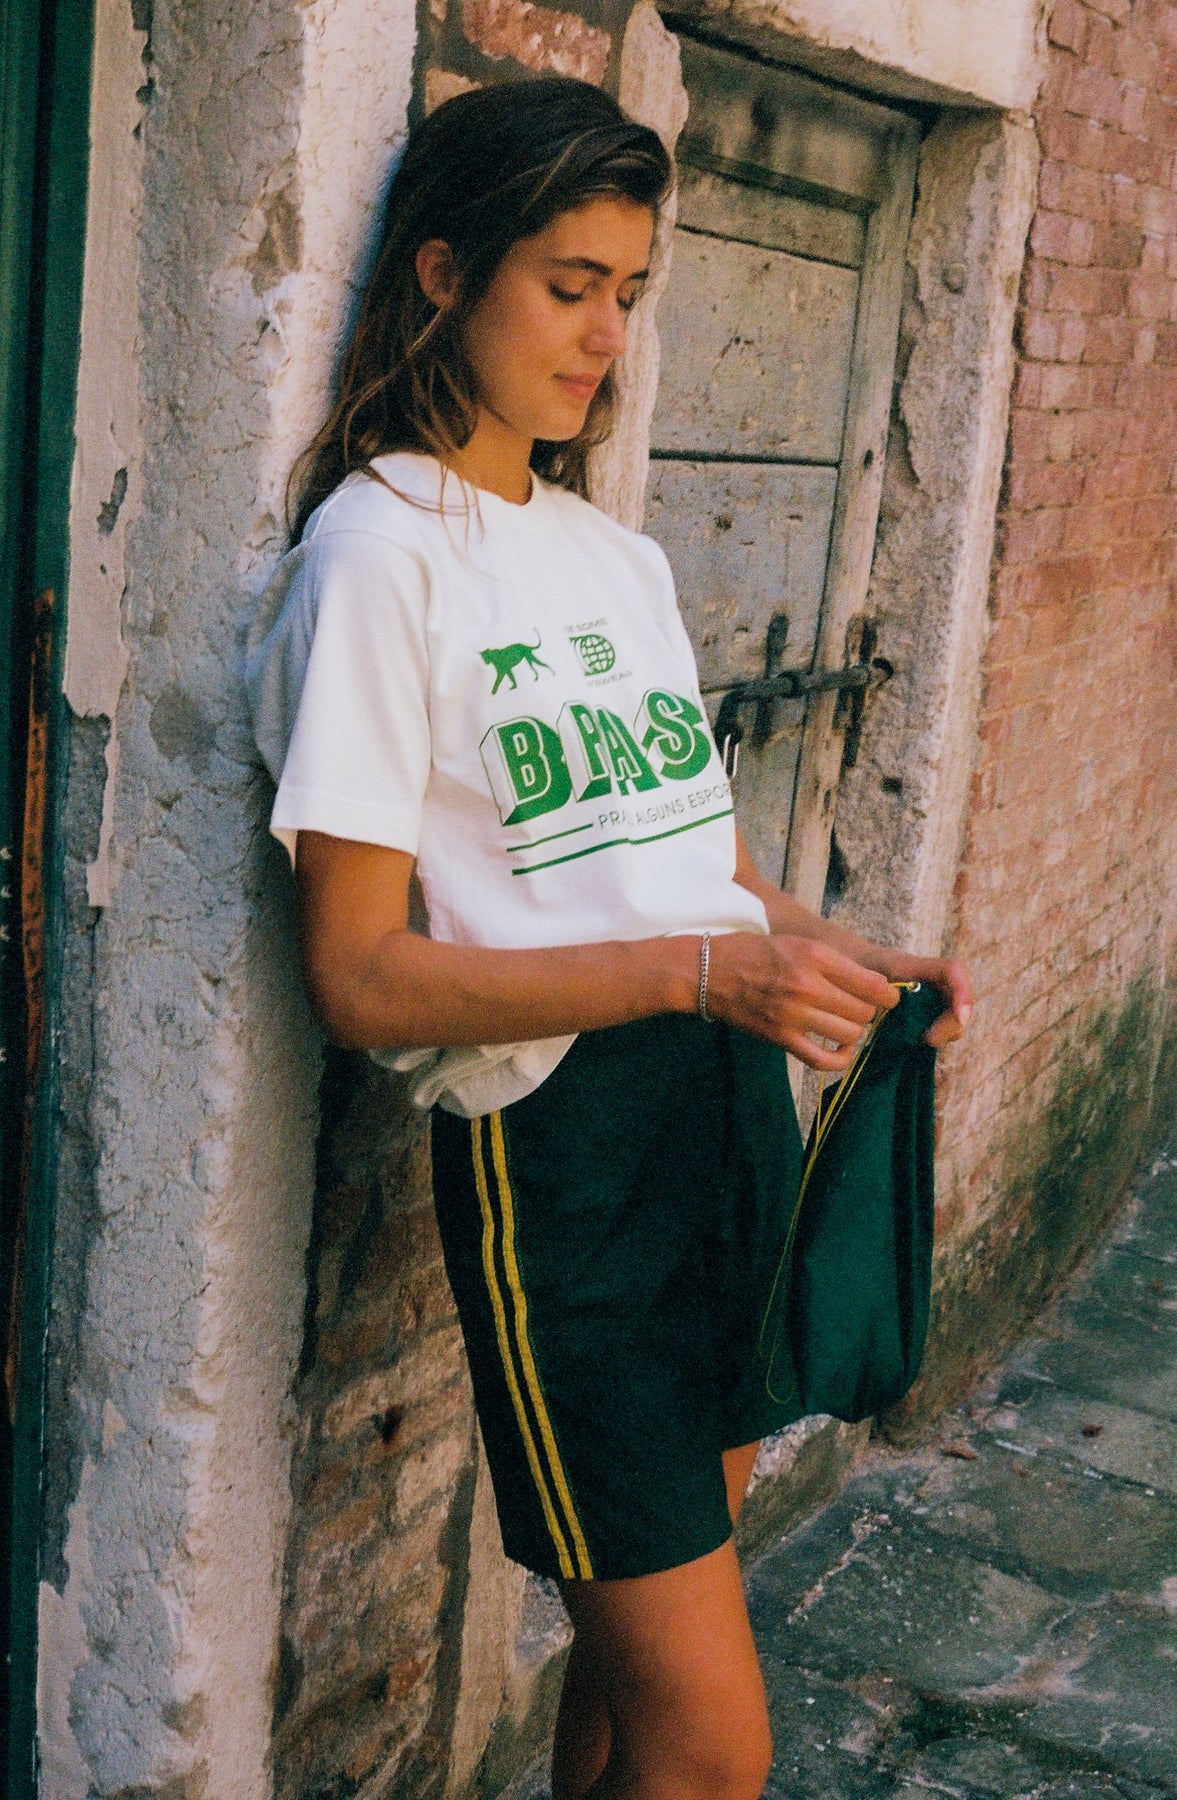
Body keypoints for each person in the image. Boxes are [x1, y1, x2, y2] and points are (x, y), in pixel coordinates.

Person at [246, 76, 973, 1800]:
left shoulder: (611, 559)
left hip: (721, 1119)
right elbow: (357, 977)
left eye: (630, 293)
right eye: (568, 285)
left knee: (634, 1687)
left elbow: (691, 869)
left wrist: (832, 960)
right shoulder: (375, 559)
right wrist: (704, 974)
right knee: (715, 1746)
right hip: (563, 1166)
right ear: (443, 274)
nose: (606, 336)